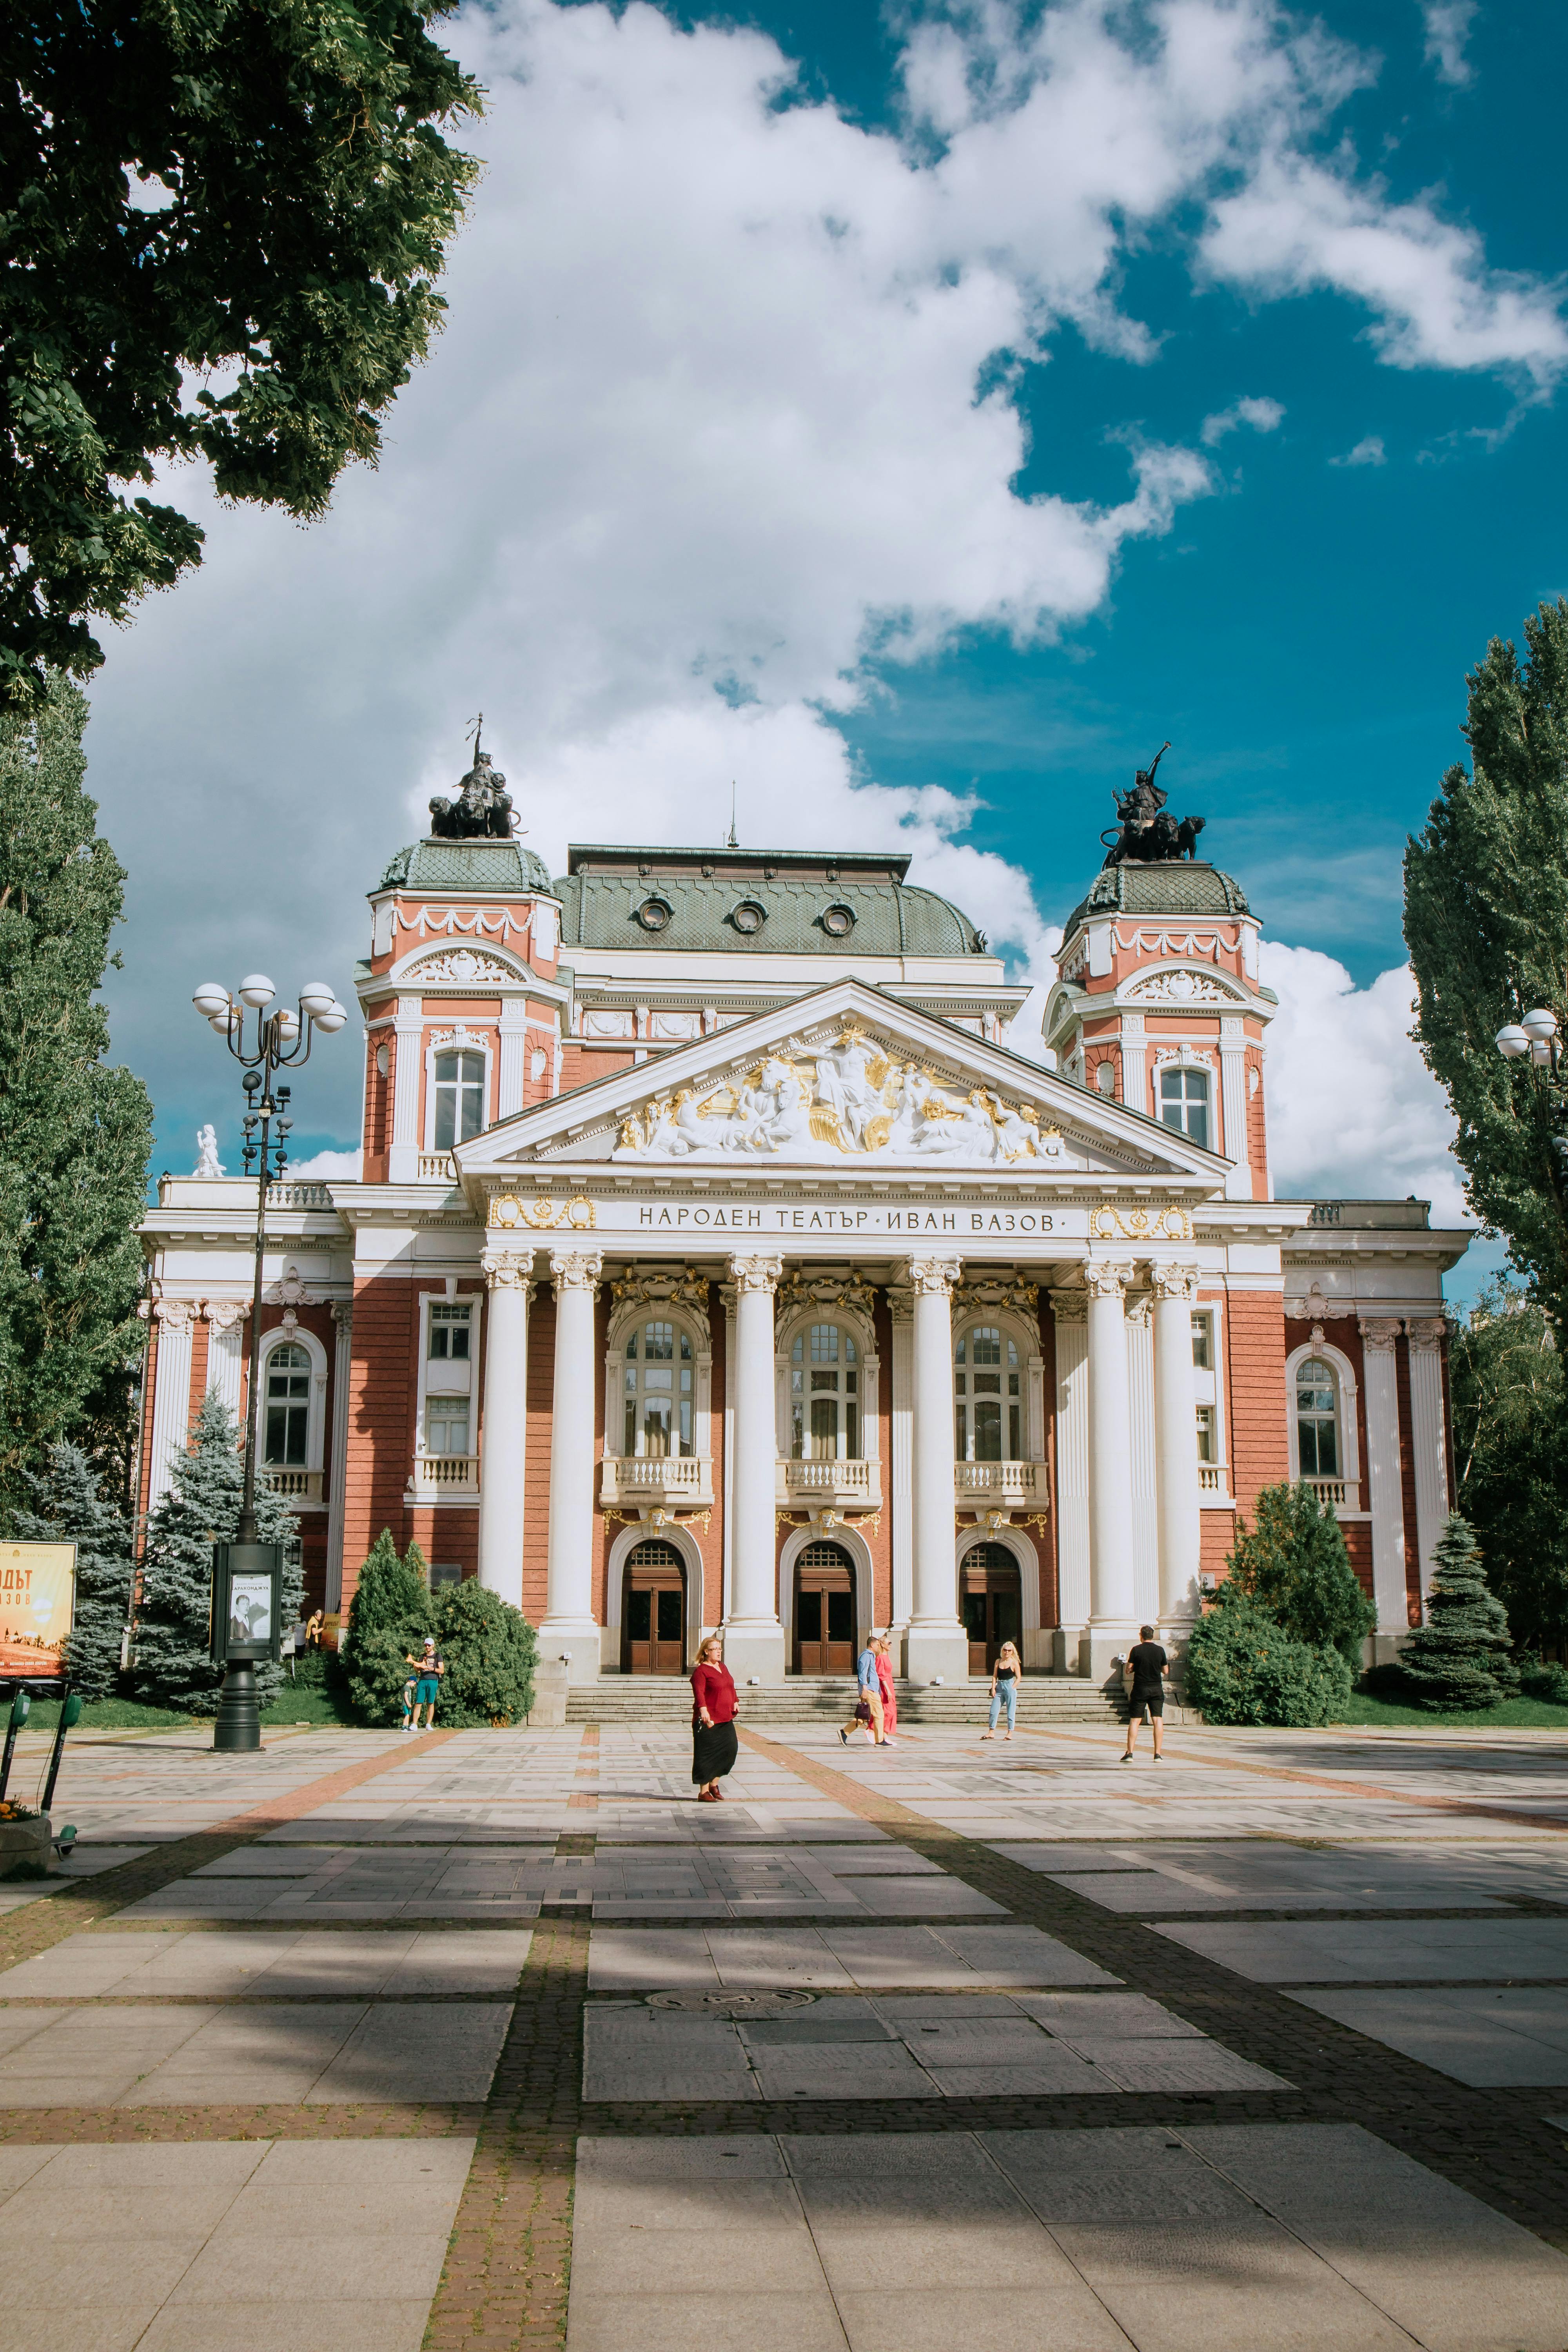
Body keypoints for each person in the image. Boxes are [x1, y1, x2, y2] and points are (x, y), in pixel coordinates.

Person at [691, 1635, 739, 1801]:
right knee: (706, 1755)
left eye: (720, 1649)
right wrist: (703, 1710)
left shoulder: (722, 1667)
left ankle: (714, 1784)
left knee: (730, 1751)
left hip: (725, 1718)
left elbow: (730, 1685)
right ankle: (703, 1792)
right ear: (706, 1651)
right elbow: (699, 1693)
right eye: (715, 1649)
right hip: (708, 1721)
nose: (719, 1652)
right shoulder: (701, 1671)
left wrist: (735, 1701)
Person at [1122, 1624, 1168, 1761]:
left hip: (1140, 1689)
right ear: (1152, 1636)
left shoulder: (1136, 1650)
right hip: (1156, 1689)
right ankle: (1158, 1754)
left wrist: (1136, 1666)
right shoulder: (1160, 1650)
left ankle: (1130, 1754)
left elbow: (1129, 1670)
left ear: (1141, 1636)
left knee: (1135, 1721)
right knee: (1157, 1719)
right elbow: (1166, 1671)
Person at [839, 1635, 885, 1746]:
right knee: (879, 1714)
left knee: (863, 1715)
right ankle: (879, 1740)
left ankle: (844, 1733)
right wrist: (865, 1688)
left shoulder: (872, 1656)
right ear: (872, 1645)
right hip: (869, 1690)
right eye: (878, 1645)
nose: (879, 1647)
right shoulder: (866, 1656)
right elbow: (863, 1673)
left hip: (872, 1689)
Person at [403, 1635, 445, 1731]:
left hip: (433, 1681)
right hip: (422, 1681)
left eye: (429, 1645)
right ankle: (414, 1725)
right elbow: (418, 1671)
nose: (427, 1647)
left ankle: (429, 1724)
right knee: (419, 1702)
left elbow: (442, 1671)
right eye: (426, 1645)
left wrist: (432, 1669)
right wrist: (416, 1666)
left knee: (431, 1703)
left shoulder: (438, 1656)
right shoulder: (422, 1656)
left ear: (433, 1646)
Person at [982, 1640, 1021, 1740]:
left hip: (1010, 1686)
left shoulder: (1014, 1663)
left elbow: (1019, 1678)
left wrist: (1013, 1687)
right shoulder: (998, 1661)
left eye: (1009, 1650)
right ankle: (991, 1732)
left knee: (1011, 1712)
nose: (1007, 1652)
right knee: (994, 1711)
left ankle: (1010, 1733)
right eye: (1005, 1650)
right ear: (1002, 1651)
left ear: (1013, 1652)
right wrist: (993, 1688)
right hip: (999, 1687)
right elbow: (995, 1676)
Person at [874, 1634, 898, 1744]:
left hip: (890, 1685)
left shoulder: (886, 1657)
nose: (891, 1645)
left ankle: (886, 1735)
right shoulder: (880, 1658)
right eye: (889, 1643)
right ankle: (879, 1733)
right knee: (888, 1711)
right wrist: (887, 1690)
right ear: (883, 1645)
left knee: (892, 1711)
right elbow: (881, 1675)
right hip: (885, 1687)